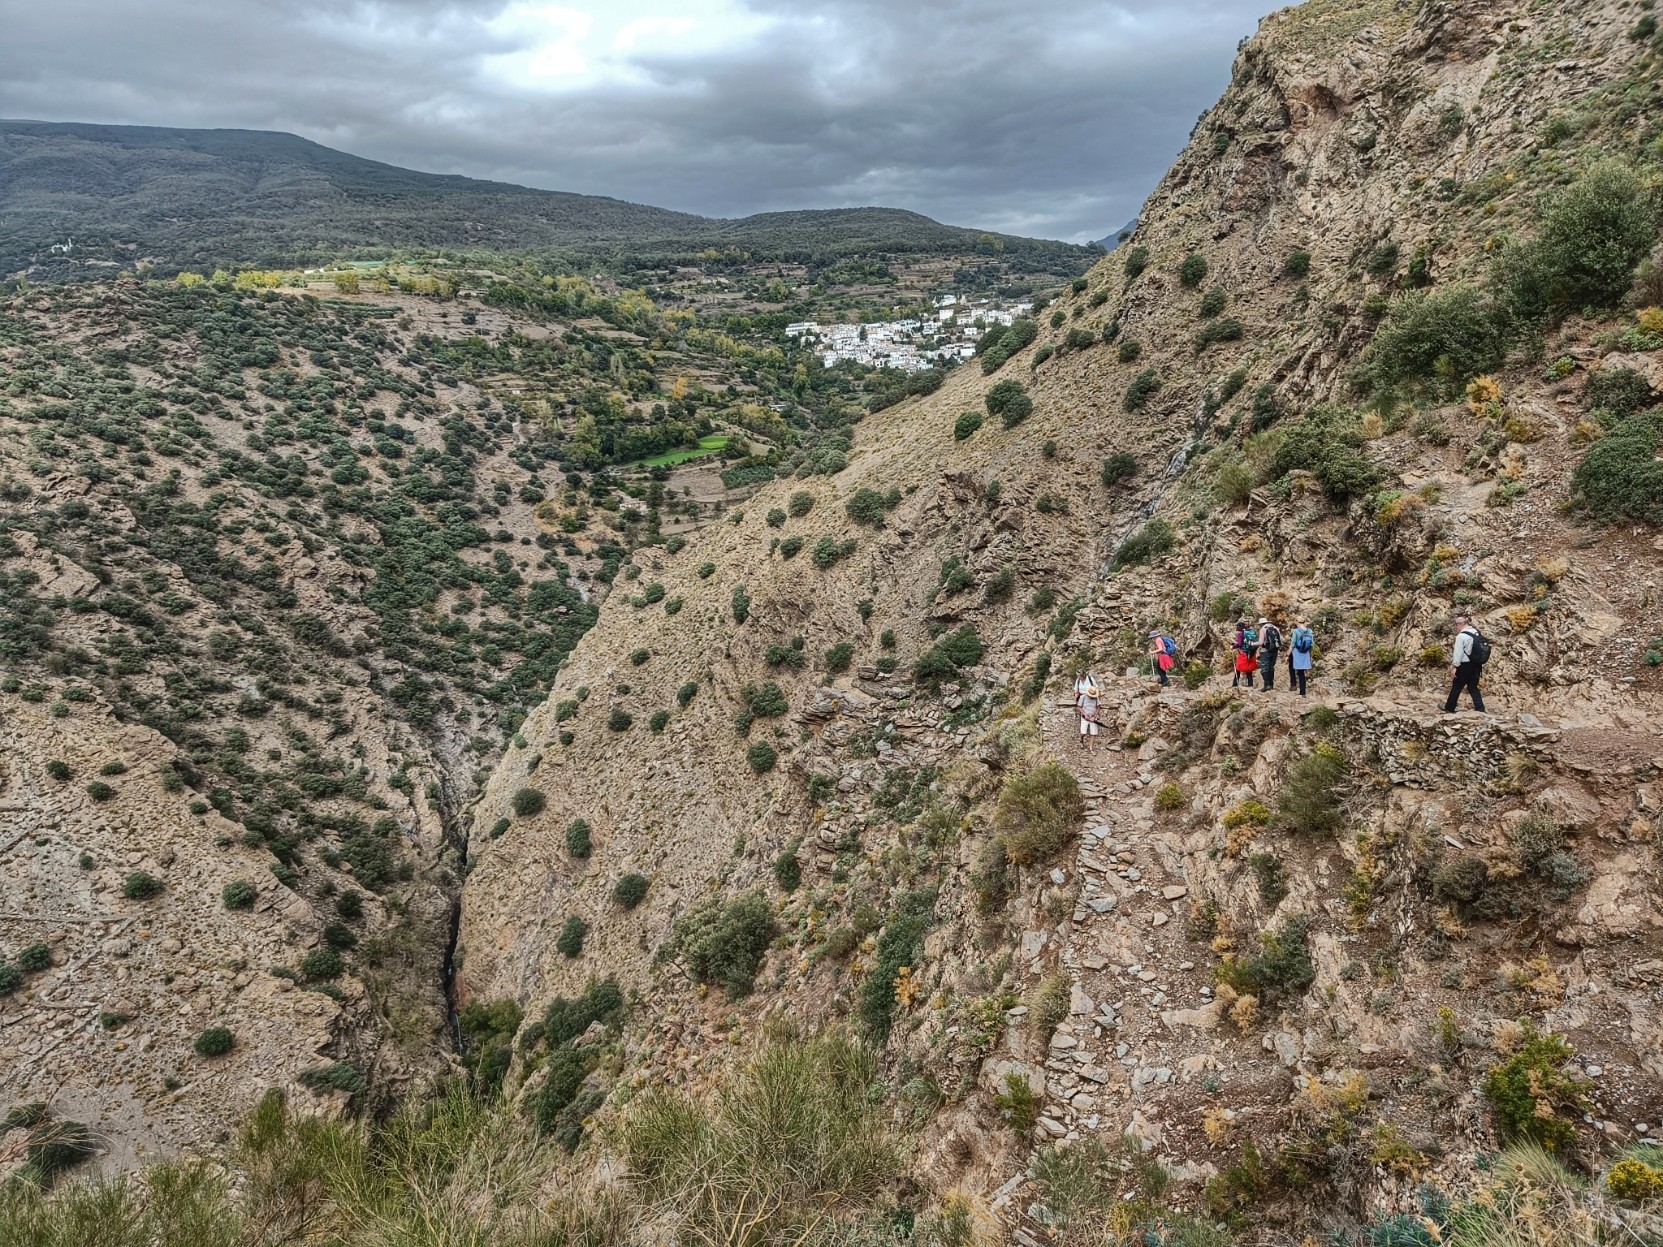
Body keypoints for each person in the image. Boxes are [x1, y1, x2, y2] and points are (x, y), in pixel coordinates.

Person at [1445, 614, 1487, 713]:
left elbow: (1458, 653)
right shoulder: (1476, 632)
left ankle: (1449, 708)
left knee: (1457, 686)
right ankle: (1480, 708)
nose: (1456, 628)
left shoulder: (1461, 636)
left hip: (1465, 665)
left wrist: (1455, 666)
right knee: (1473, 687)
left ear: (1459, 625)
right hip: (1476, 665)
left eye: (1456, 625)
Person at [1074, 671, 1102, 752]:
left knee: (1093, 733)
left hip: (1092, 717)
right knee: (1083, 733)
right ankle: (1082, 738)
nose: (1080, 678)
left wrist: (1095, 716)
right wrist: (1076, 693)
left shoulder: (1090, 679)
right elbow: (1076, 689)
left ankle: (1091, 748)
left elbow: (1098, 707)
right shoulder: (1078, 681)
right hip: (1082, 697)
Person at [1288, 618, 1314, 697]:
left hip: (1297, 653)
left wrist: (1287, 654)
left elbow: (1293, 644)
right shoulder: (1309, 631)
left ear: (1297, 622)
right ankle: (1303, 691)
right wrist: (1311, 655)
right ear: (1304, 622)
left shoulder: (1296, 631)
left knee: (1296, 670)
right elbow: (1312, 644)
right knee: (1302, 672)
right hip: (1305, 653)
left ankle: (1296, 687)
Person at [1231, 619, 1259, 689]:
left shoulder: (1240, 634)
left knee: (1238, 667)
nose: (1236, 628)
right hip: (1251, 652)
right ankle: (1250, 684)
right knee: (1248, 668)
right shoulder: (1249, 632)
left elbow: (1240, 644)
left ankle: (1235, 684)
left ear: (1240, 627)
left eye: (1237, 626)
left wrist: (1233, 646)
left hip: (1243, 653)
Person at [1257, 617, 1282, 691]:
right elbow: (1281, 639)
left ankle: (1267, 685)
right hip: (1275, 650)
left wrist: (1251, 643)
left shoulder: (1263, 629)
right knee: (1271, 667)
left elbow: (1261, 642)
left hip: (1265, 651)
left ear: (1261, 624)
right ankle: (1271, 685)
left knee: (1265, 667)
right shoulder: (1275, 628)